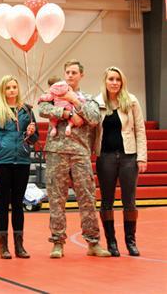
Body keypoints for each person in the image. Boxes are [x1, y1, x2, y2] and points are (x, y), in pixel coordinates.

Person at [38, 59, 111, 258]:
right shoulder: (55, 94)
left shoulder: (88, 98)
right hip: (56, 152)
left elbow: (95, 119)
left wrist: (76, 101)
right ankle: (57, 243)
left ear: (81, 75)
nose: (69, 75)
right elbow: (43, 109)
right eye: (67, 72)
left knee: (87, 198)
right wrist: (65, 111)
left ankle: (93, 243)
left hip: (80, 153)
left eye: (74, 72)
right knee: (56, 198)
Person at [94, 66, 147, 257]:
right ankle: (111, 242)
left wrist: (142, 157)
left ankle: (130, 241)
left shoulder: (131, 101)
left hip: (129, 157)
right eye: (111, 79)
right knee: (107, 201)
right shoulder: (97, 103)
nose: (114, 82)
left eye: (118, 79)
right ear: (105, 81)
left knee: (129, 201)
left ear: (122, 82)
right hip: (105, 157)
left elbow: (140, 130)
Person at [0, 75, 38, 259]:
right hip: (2, 162)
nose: (12, 90)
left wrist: (31, 133)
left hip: (21, 161)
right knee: (2, 205)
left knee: (18, 204)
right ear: (2, 90)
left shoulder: (27, 112)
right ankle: (3, 246)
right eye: (8, 88)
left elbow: (34, 139)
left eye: (14, 87)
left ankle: (19, 246)